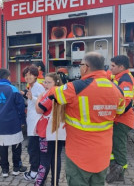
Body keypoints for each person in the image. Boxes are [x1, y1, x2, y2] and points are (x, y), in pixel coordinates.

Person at [47, 52, 125, 186]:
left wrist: (53, 87)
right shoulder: (117, 89)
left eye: (81, 65)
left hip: (79, 154)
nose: (80, 68)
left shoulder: (76, 87)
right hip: (103, 153)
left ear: (86, 67)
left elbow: (53, 94)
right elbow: (120, 112)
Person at [0, 68, 27, 178]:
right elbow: (21, 108)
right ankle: (16, 168)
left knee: (2, 147)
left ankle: (4, 170)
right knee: (16, 147)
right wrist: (22, 121)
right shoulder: (13, 89)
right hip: (13, 123)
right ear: (8, 77)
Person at [106, 55, 134, 183]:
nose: (110, 68)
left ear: (121, 67)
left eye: (113, 66)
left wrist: (115, 113)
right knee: (113, 146)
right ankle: (115, 168)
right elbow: (108, 75)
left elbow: (127, 103)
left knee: (119, 147)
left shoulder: (125, 80)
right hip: (118, 119)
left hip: (122, 120)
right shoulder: (119, 76)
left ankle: (120, 173)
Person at [34, 72, 66, 186]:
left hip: (47, 131)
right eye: (45, 82)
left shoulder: (51, 93)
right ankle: (55, 183)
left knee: (45, 159)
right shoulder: (63, 92)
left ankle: (39, 183)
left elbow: (40, 109)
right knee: (56, 158)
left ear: (55, 82)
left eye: (48, 82)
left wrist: (38, 98)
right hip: (60, 131)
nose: (45, 84)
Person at [21, 65, 45, 181]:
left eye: (30, 74)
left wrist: (32, 98)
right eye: (26, 75)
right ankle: (36, 171)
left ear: (35, 75)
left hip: (36, 124)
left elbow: (43, 102)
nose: (27, 77)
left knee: (33, 149)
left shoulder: (38, 87)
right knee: (33, 148)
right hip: (32, 122)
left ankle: (34, 173)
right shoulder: (31, 87)